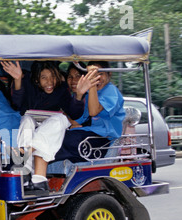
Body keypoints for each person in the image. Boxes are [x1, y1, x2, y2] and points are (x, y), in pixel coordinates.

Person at [32, 61, 125, 191]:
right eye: (91, 75)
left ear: (109, 74)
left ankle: (32, 170)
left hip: (99, 142)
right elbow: (77, 120)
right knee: (54, 137)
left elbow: (93, 111)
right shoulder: (88, 95)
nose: (96, 78)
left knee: (63, 141)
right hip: (84, 137)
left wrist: (91, 84)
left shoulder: (110, 90)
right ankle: (36, 176)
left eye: (100, 74)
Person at [1, 61, 93, 189]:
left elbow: (74, 113)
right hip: (32, 120)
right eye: (44, 78)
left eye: (52, 77)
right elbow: (17, 104)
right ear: (37, 80)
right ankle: (30, 174)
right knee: (26, 120)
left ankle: (25, 150)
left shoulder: (61, 88)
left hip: (52, 124)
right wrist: (17, 80)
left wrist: (78, 95)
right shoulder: (28, 83)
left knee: (60, 119)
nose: (49, 82)